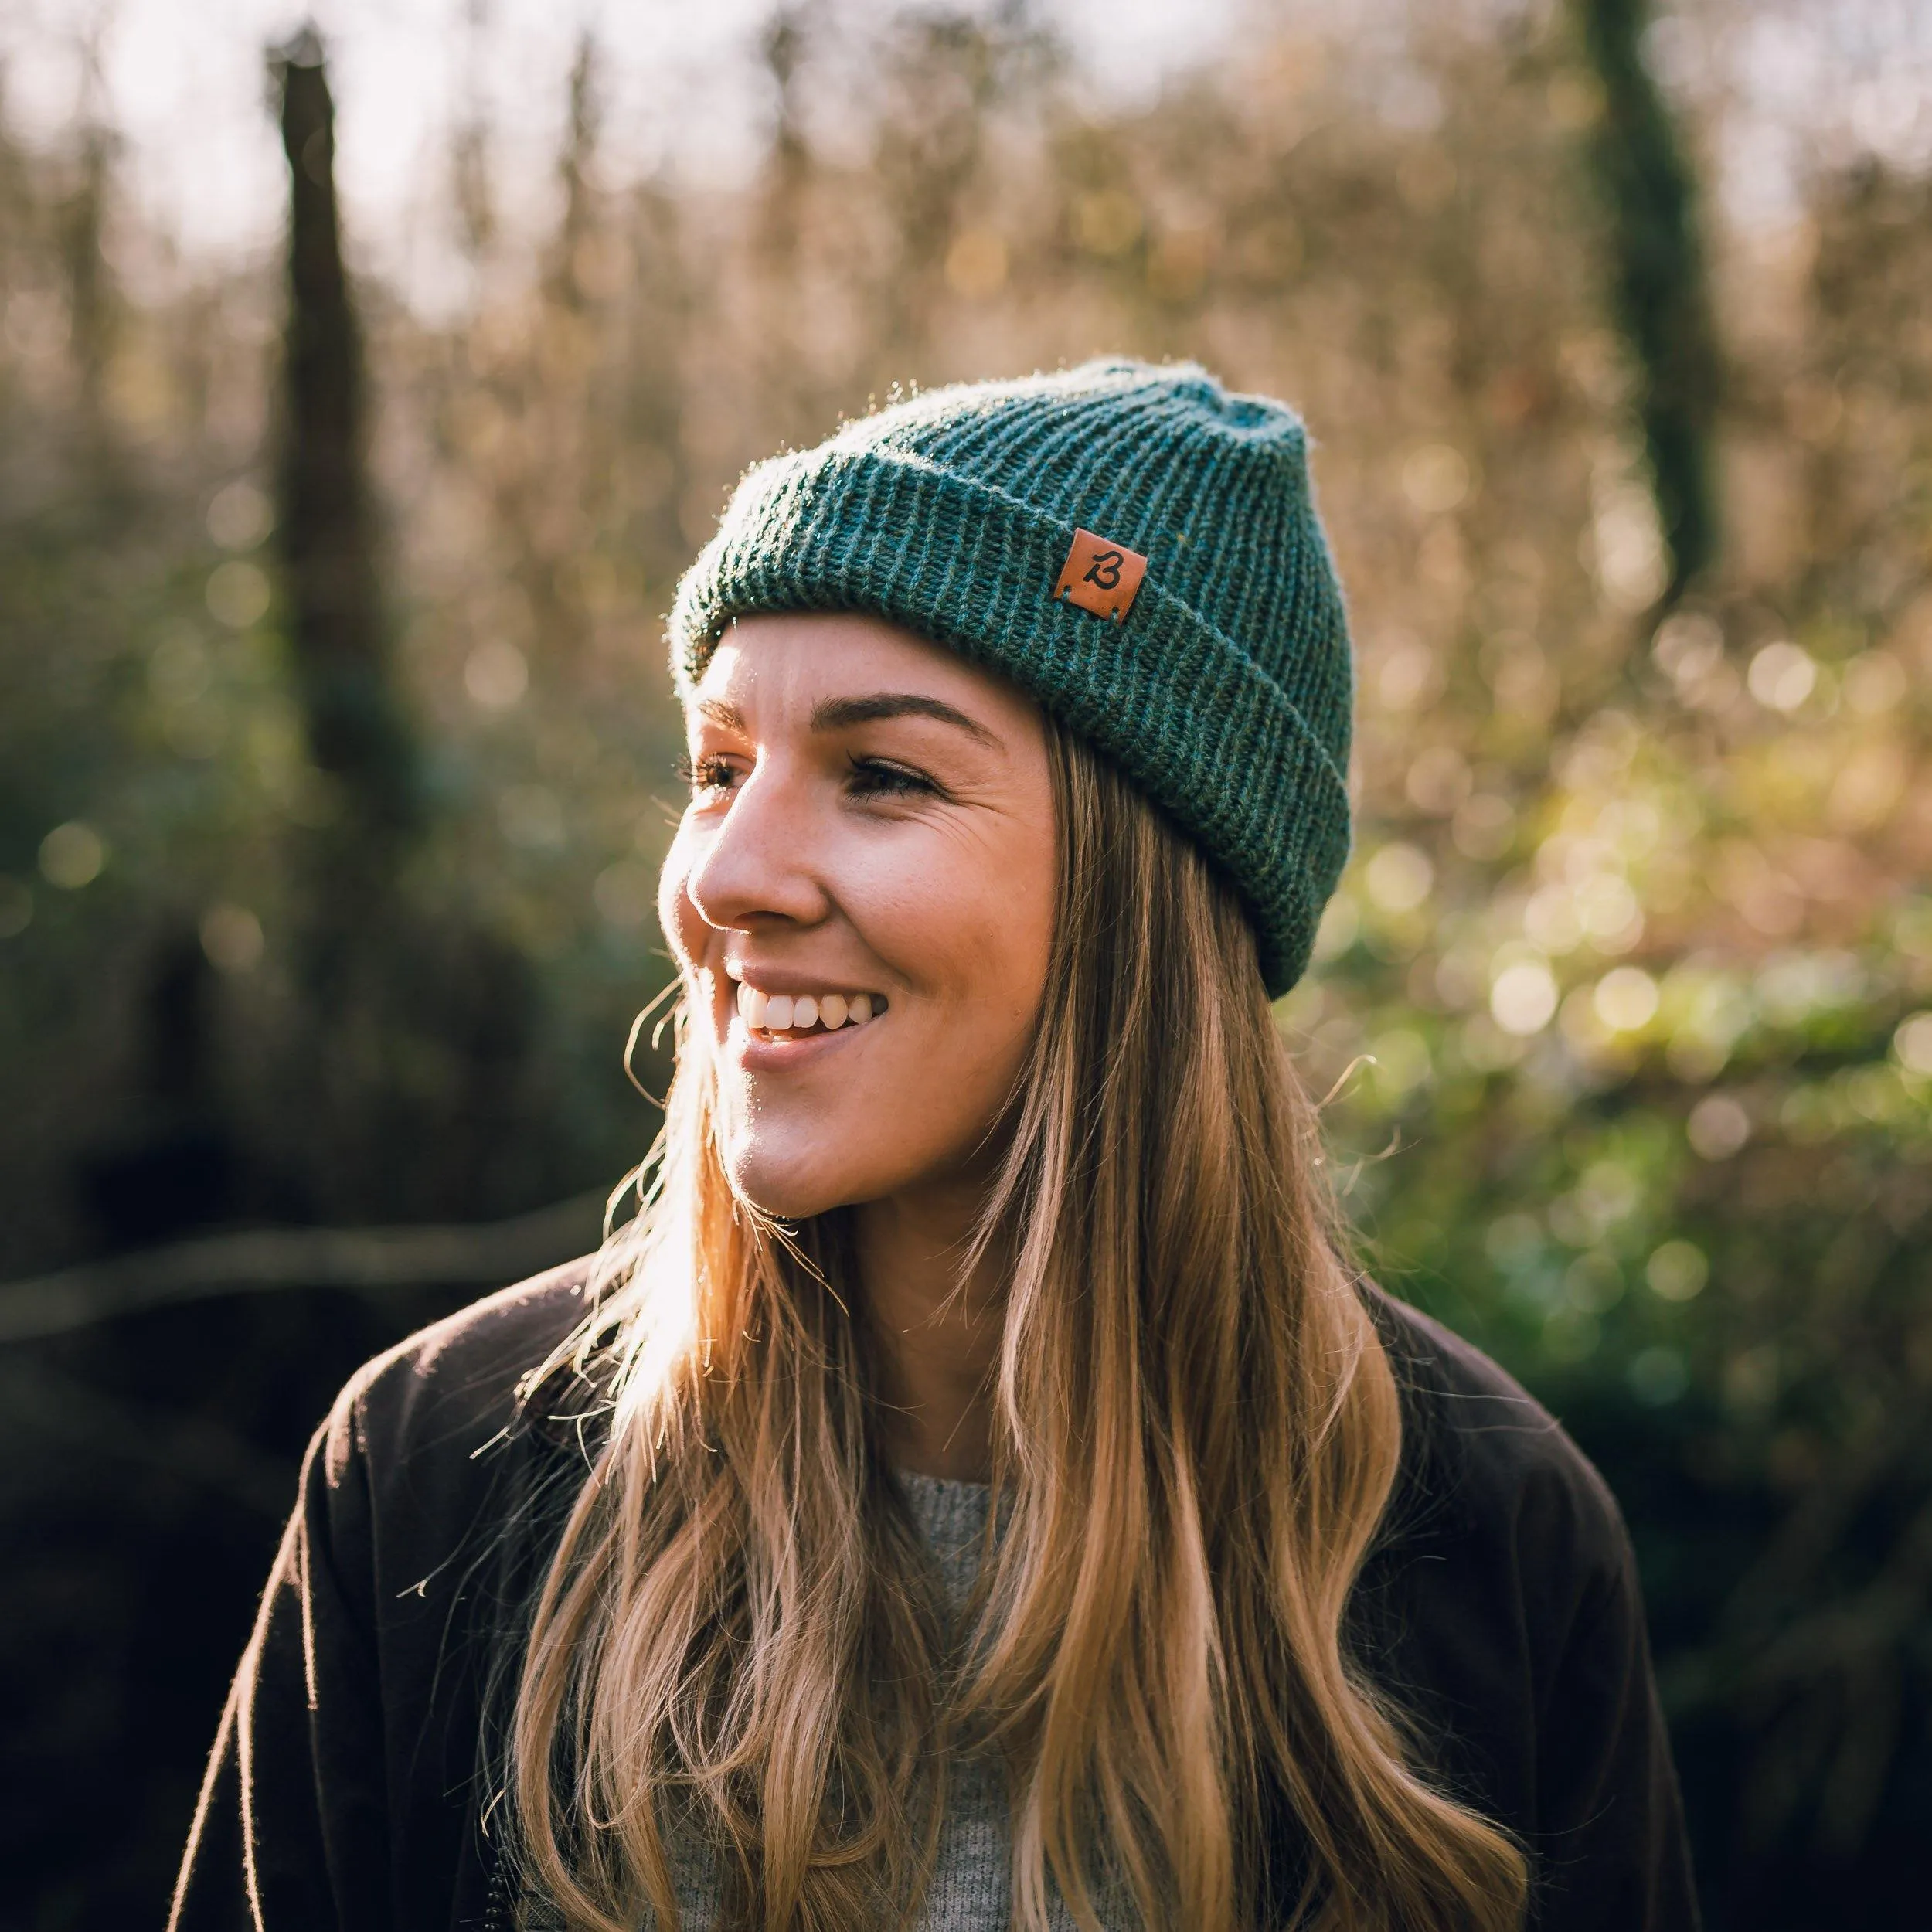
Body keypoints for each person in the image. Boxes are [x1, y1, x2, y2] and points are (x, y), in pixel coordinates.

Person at [171, 360, 1698, 1932]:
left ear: (1146, 893)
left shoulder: (1485, 1533)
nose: (726, 876)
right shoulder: (435, 1474)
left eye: (881, 775)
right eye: (715, 767)